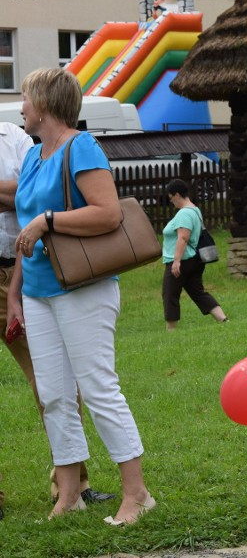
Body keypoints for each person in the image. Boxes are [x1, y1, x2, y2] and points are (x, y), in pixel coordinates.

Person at [9, 67, 154, 523]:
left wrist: (48, 220)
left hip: (83, 289)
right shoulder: (33, 156)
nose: (21, 107)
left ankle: (137, 494)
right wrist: (15, 293)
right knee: (54, 394)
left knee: (97, 388)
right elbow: (25, 235)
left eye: (27, 98)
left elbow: (108, 214)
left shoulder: (81, 146)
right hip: (37, 291)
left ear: (46, 104)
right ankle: (67, 495)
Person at [1, 121, 115, 519]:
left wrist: (17, 198)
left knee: (52, 381)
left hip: (21, 269)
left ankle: (72, 485)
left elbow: (25, 196)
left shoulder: (14, 137)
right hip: (27, 271)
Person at [162, 178, 227, 330]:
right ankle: (222, 319)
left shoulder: (184, 214)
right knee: (197, 292)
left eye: (171, 198)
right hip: (195, 260)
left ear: (177, 194)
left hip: (182, 260)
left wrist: (176, 261)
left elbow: (183, 237)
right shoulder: (195, 210)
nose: (171, 201)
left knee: (170, 294)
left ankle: (171, 330)